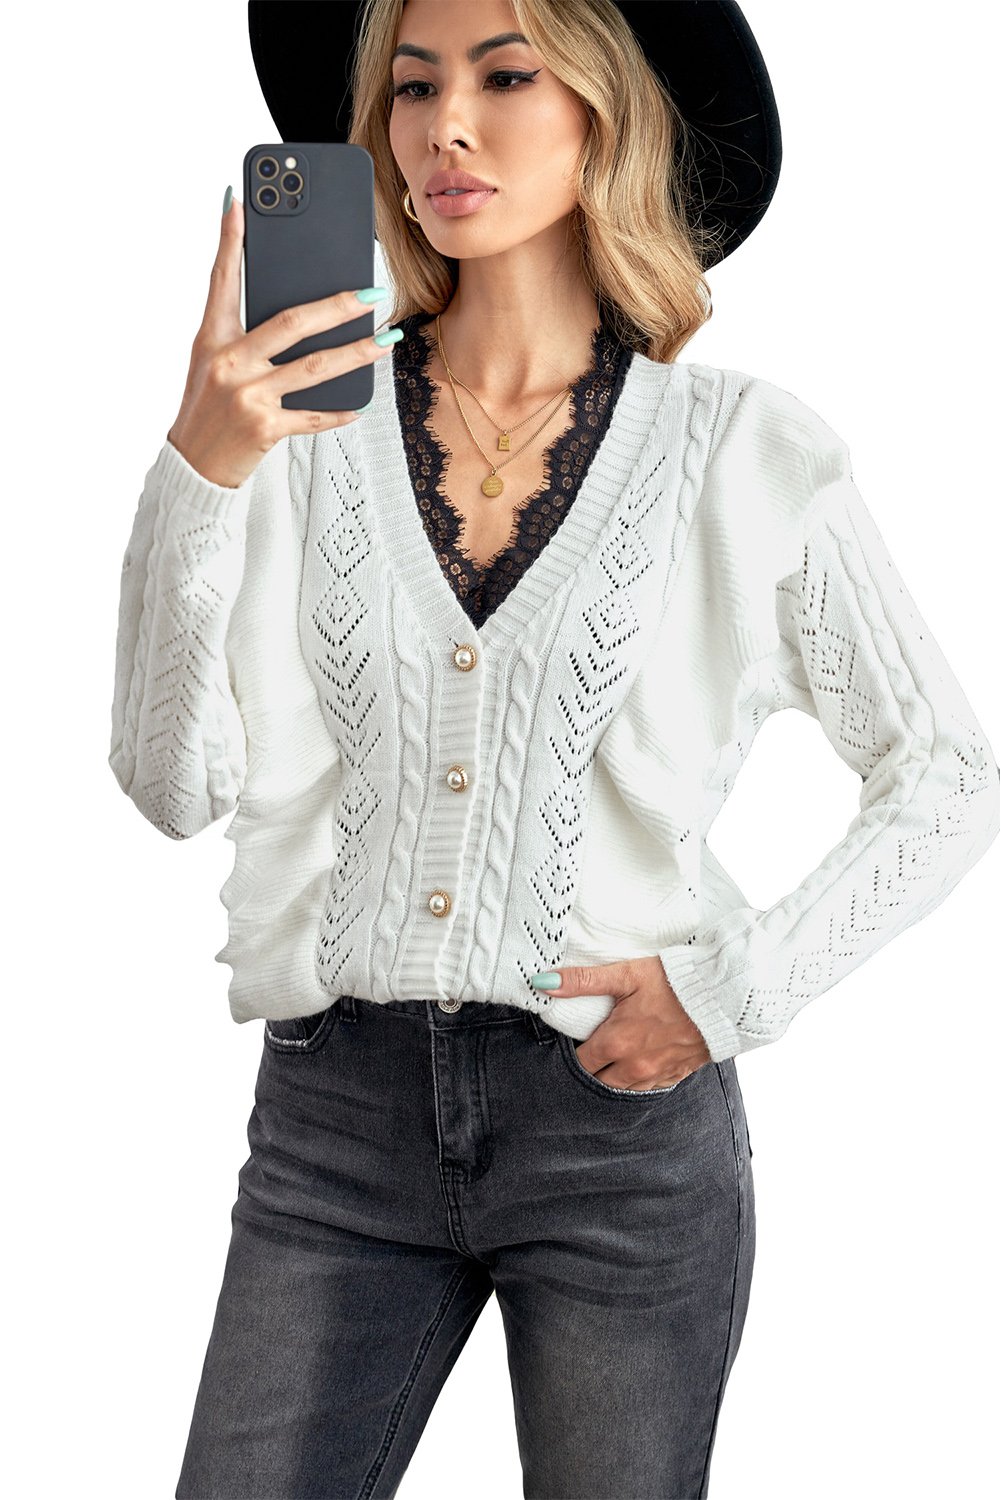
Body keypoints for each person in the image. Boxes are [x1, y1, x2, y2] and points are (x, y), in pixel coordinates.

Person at [108, 1, 999, 1496]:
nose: (445, 127)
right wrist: (201, 466)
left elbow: (949, 774)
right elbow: (168, 782)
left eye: (506, 76)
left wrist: (730, 991)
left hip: (618, 1133)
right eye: (412, 89)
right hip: (334, 1126)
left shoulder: (740, 450)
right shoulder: (291, 437)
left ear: (607, 113)